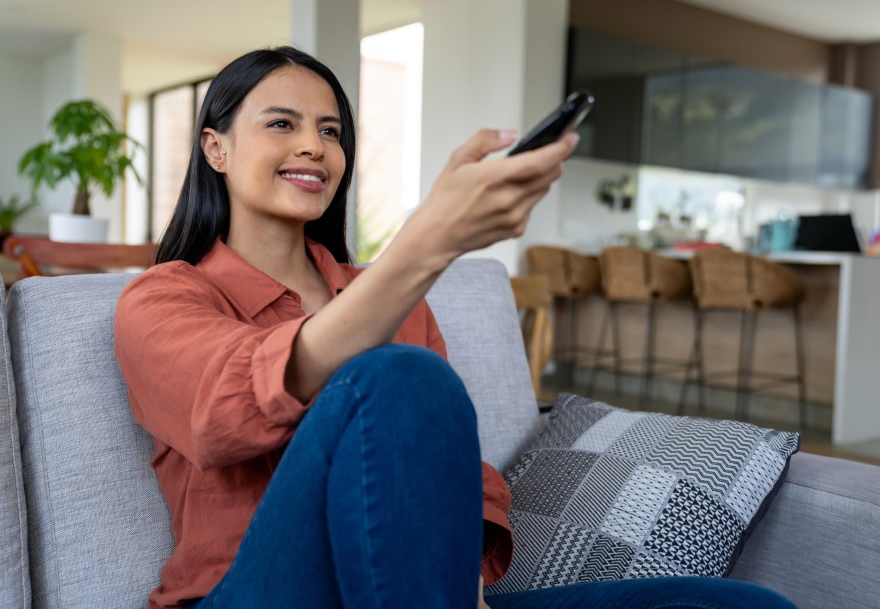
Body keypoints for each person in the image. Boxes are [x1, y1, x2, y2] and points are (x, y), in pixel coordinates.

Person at [114, 46, 797, 609]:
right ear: (215, 147)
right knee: (394, 375)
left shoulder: (397, 300)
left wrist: (461, 574)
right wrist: (427, 245)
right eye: (282, 124)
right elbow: (223, 409)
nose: (313, 147)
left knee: (744, 606)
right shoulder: (165, 296)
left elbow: (455, 471)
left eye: (330, 131)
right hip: (258, 593)